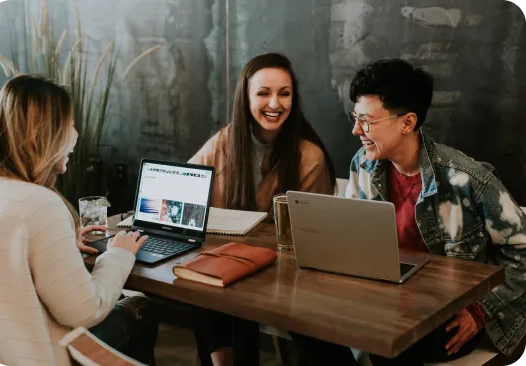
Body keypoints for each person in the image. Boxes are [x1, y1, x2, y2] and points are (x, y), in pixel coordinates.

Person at [343, 58, 526, 365]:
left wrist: (481, 309)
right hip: (389, 301)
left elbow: (522, 251)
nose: (355, 130)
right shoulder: (362, 164)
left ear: (407, 122)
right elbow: (352, 239)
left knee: (390, 340)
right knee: (309, 325)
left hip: (452, 313)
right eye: (355, 117)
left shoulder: (466, 178)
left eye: (366, 121)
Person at [0, 74, 158, 365]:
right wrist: (117, 255)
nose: (75, 137)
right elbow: (85, 311)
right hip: (40, 355)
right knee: (141, 307)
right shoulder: (40, 203)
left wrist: (62, 243)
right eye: (70, 125)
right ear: (47, 134)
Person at [189, 52, 337, 366]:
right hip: (226, 266)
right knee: (205, 287)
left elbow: (313, 239)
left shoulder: (309, 157)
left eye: (284, 93)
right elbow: (185, 191)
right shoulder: (224, 142)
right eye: (263, 93)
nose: (275, 103)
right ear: (245, 98)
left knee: (233, 298)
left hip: (285, 275)